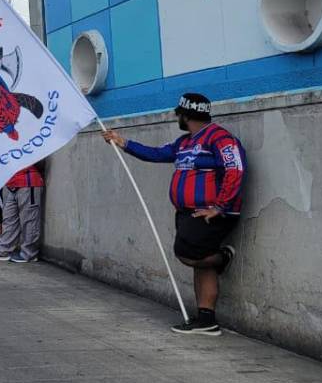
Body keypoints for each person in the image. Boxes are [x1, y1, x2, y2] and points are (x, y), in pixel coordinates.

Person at [102, 93, 245, 336]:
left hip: (212, 213)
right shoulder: (184, 142)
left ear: (187, 115)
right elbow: (156, 154)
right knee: (200, 264)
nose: (177, 116)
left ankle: (223, 258)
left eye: (179, 113)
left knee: (187, 254)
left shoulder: (220, 138)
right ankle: (206, 319)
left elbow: (235, 170)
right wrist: (122, 142)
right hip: (188, 213)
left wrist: (219, 207)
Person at [0, 164, 44, 264]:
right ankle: (3, 250)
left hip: (28, 181)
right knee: (9, 220)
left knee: (29, 221)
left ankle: (29, 254)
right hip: (11, 184)